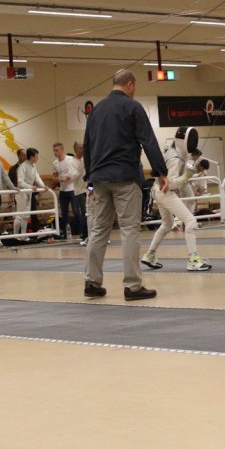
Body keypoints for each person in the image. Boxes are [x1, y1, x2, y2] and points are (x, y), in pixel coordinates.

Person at [82, 69, 169, 301]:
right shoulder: (133, 107)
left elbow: (87, 146)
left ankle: (91, 282)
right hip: (125, 177)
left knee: (99, 230)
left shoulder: (96, 110)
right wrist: (161, 172)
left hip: (99, 178)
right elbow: (148, 140)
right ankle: (132, 286)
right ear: (130, 84)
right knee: (129, 230)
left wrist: (90, 179)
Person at [141, 130, 212, 272]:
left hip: (157, 191)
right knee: (191, 221)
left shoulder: (176, 152)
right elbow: (170, 184)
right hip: (165, 192)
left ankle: (149, 256)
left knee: (167, 224)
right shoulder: (175, 158)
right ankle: (193, 260)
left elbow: (178, 177)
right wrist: (187, 176)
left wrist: (189, 173)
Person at [52, 142, 87, 243]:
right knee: (64, 213)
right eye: (54, 151)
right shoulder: (55, 163)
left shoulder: (70, 160)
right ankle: (65, 234)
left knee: (76, 211)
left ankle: (82, 232)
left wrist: (67, 177)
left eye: (57, 150)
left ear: (62, 150)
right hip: (63, 190)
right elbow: (54, 176)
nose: (55, 152)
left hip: (72, 189)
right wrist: (58, 179)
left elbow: (76, 172)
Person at [14, 148, 46, 236]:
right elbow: (20, 182)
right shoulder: (22, 167)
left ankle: (23, 236)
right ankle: (15, 236)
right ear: (32, 157)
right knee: (19, 216)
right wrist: (30, 187)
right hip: (21, 194)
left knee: (26, 216)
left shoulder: (33, 166)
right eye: (36, 156)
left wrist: (43, 186)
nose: (38, 158)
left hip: (28, 193)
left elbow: (36, 177)